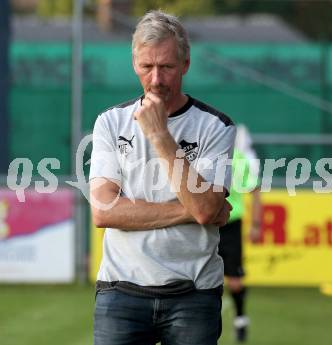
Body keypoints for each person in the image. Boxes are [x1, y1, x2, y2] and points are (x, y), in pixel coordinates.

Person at [89, 10, 236, 345]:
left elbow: (204, 210)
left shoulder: (216, 127)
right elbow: (104, 212)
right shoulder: (110, 123)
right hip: (120, 292)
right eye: (147, 66)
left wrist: (160, 136)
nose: (156, 79)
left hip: (194, 293)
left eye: (167, 67)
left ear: (185, 64)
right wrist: (191, 210)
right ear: (134, 64)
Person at [218, 125, 262, 342]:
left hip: (232, 224)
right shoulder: (202, 157)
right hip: (206, 225)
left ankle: (241, 318)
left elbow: (254, 191)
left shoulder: (238, 159)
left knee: (235, 280)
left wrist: (256, 224)